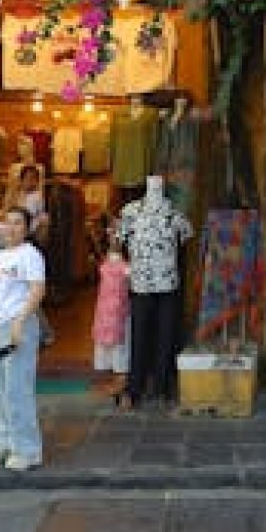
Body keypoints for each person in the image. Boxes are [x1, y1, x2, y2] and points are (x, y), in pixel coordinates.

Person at [0, 206, 45, 472]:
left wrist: (20, 322)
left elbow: (37, 291)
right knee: (0, 389)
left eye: (17, 223)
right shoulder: (0, 257)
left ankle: (27, 449)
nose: (11, 228)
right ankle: (5, 441)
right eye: (8, 223)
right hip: (0, 327)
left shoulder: (30, 256)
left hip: (19, 328)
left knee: (18, 390)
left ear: (26, 228)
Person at [115, 175, 193, 409]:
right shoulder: (129, 212)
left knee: (166, 335)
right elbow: (120, 241)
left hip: (168, 283)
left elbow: (186, 241)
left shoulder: (175, 215)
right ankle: (135, 387)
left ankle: (164, 385)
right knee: (139, 336)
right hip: (140, 284)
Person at [4, 164, 54, 347]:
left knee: (28, 289)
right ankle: (42, 331)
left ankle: (44, 331)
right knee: (24, 289)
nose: (30, 182)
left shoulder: (36, 198)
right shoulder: (19, 195)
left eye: (34, 178)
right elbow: (8, 211)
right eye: (27, 178)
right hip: (19, 244)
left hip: (29, 243)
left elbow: (29, 222)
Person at [93, 227, 131, 396]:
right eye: (111, 239)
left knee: (118, 346)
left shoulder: (125, 267)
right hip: (105, 312)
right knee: (109, 345)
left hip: (118, 313)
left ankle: (120, 381)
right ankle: (113, 381)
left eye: (116, 239)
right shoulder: (109, 263)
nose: (113, 242)